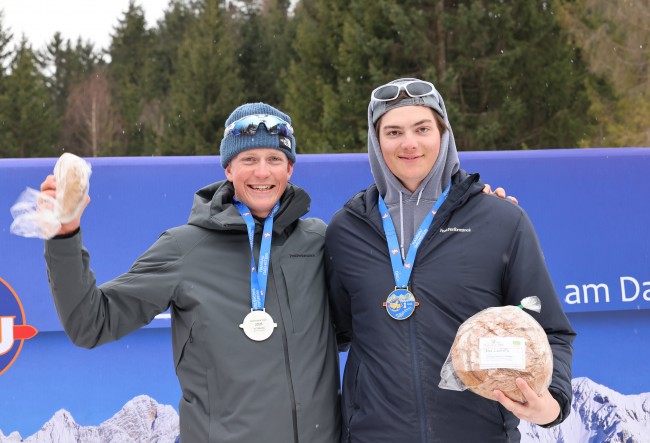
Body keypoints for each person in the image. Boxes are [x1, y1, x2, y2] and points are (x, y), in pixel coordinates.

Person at [40, 103, 342, 442]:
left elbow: (355, 328)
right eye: (248, 159)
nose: (262, 172)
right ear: (229, 168)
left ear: (289, 168)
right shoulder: (185, 248)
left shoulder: (318, 241)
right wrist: (63, 237)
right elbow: (91, 322)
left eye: (274, 159)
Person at [324, 78, 576, 442]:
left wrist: (551, 402)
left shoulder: (500, 220)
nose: (409, 143)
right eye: (393, 132)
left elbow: (548, 328)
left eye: (422, 129)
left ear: (443, 135)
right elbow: (335, 332)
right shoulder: (347, 230)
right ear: (376, 142)